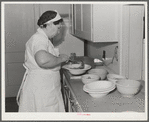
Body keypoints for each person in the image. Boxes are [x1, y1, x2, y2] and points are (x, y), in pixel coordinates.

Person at [16, 10, 69, 112]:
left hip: (43, 88)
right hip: (42, 90)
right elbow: (42, 60)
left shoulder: (42, 38)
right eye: (58, 28)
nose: (58, 32)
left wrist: (57, 58)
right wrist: (61, 58)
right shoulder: (39, 39)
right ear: (48, 25)